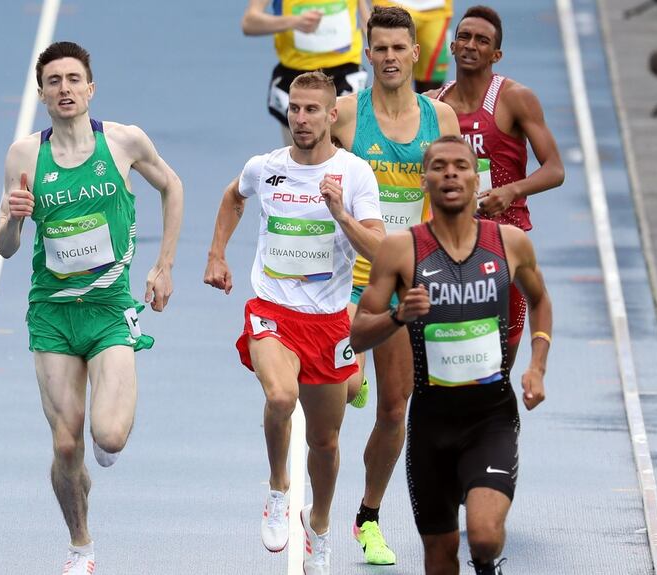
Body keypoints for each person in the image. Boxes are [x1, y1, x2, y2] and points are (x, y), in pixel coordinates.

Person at [0, 41, 184, 575]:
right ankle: (81, 544)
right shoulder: (23, 156)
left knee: (108, 436)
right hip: (52, 313)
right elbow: (6, 247)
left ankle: (104, 440)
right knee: (64, 441)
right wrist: (13, 217)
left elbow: (173, 187)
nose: (65, 89)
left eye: (74, 79)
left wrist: (163, 265)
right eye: (54, 81)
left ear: (91, 87)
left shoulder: (123, 142)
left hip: (107, 310)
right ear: (41, 94)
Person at [204, 71, 384, 575]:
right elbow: (232, 198)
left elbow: (379, 247)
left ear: (332, 116)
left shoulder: (354, 175)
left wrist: (339, 213)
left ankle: (320, 528)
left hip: (328, 321)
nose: (301, 119)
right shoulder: (265, 167)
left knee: (325, 443)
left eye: (312, 110)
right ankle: (278, 488)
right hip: (272, 311)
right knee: (280, 397)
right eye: (295, 109)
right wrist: (217, 254)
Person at [351, 135, 553, 575]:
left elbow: (539, 300)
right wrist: (398, 317)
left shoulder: (510, 242)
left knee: (483, 535)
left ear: (474, 177)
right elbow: (359, 332)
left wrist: (537, 366)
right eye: (439, 166)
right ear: (424, 181)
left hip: (491, 417)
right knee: (440, 559)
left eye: (461, 166)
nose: (450, 174)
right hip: (430, 423)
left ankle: (486, 566)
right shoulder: (401, 249)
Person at [330, 5, 459, 565]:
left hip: (406, 284)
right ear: (367, 50)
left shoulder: (442, 121)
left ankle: (368, 517)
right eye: (378, 48)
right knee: (338, 389)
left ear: (414, 52)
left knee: (393, 408)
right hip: (343, 281)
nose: (388, 58)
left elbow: (456, 198)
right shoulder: (342, 115)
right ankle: (344, 375)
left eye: (397, 48)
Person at [428, 4, 564, 363]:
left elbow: (555, 169)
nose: (471, 45)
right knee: (449, 362)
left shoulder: (514, 99)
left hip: (504, 247)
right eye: (464, 37)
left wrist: (511, 191)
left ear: (496, 54)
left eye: (482, 40)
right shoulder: (433, 105)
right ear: (452, 46)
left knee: (497, 366)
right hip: (447, 249)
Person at [242, 0, 371, 144]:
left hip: (345, 74)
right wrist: (294, 22)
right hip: (295, 78)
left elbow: (368, 20)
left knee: (344, 155)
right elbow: (249, 23)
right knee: (300, 157)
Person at [373, 0, 455, 92]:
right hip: (394, 3)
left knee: (433, 78)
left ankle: (423, 106)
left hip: (437, 8)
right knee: (392, 66)